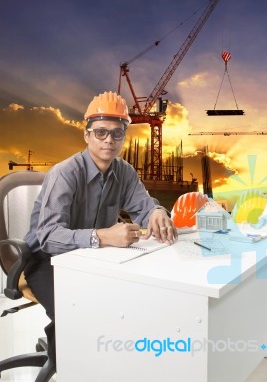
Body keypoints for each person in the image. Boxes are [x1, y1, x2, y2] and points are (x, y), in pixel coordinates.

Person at [24, 91, 177, 371]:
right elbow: (48, 238)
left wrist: (156, 212)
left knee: (124, 304)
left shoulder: (125, 172)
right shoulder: (65, 174)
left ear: (123, 137)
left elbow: (145, 206)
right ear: (87, 135)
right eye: (101, 132)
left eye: (117, 134)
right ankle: (68, 365)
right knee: (81, 312)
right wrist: (105, 236)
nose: (109, 140)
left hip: (90, 259)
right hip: (45, 260)